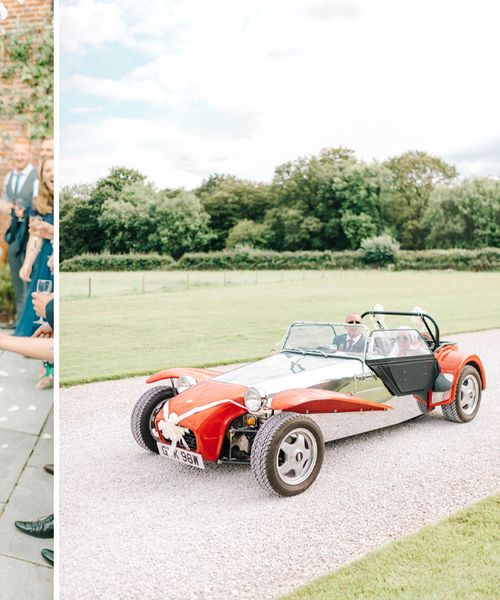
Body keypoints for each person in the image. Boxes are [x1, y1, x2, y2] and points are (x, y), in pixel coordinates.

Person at [1, 138, 39, 322]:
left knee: (30, 275)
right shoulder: (9, 177)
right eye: (16, 153)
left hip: (32, 232)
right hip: (16, 233)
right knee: (17, 277)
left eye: (22, 153)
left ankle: (29, 319)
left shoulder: (37, 177)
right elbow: (3, 201)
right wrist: (8, 207)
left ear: (29, 154)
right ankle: (18, 318)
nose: (19, 157)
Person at [15, 158, 54, 337]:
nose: (52, 174)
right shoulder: (38, 202)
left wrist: (52, 231)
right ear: (42, 176)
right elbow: (35, 235)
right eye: (47, 170)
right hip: (44, 257)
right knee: (37, 297)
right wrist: (28, 263)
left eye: (55, 170)